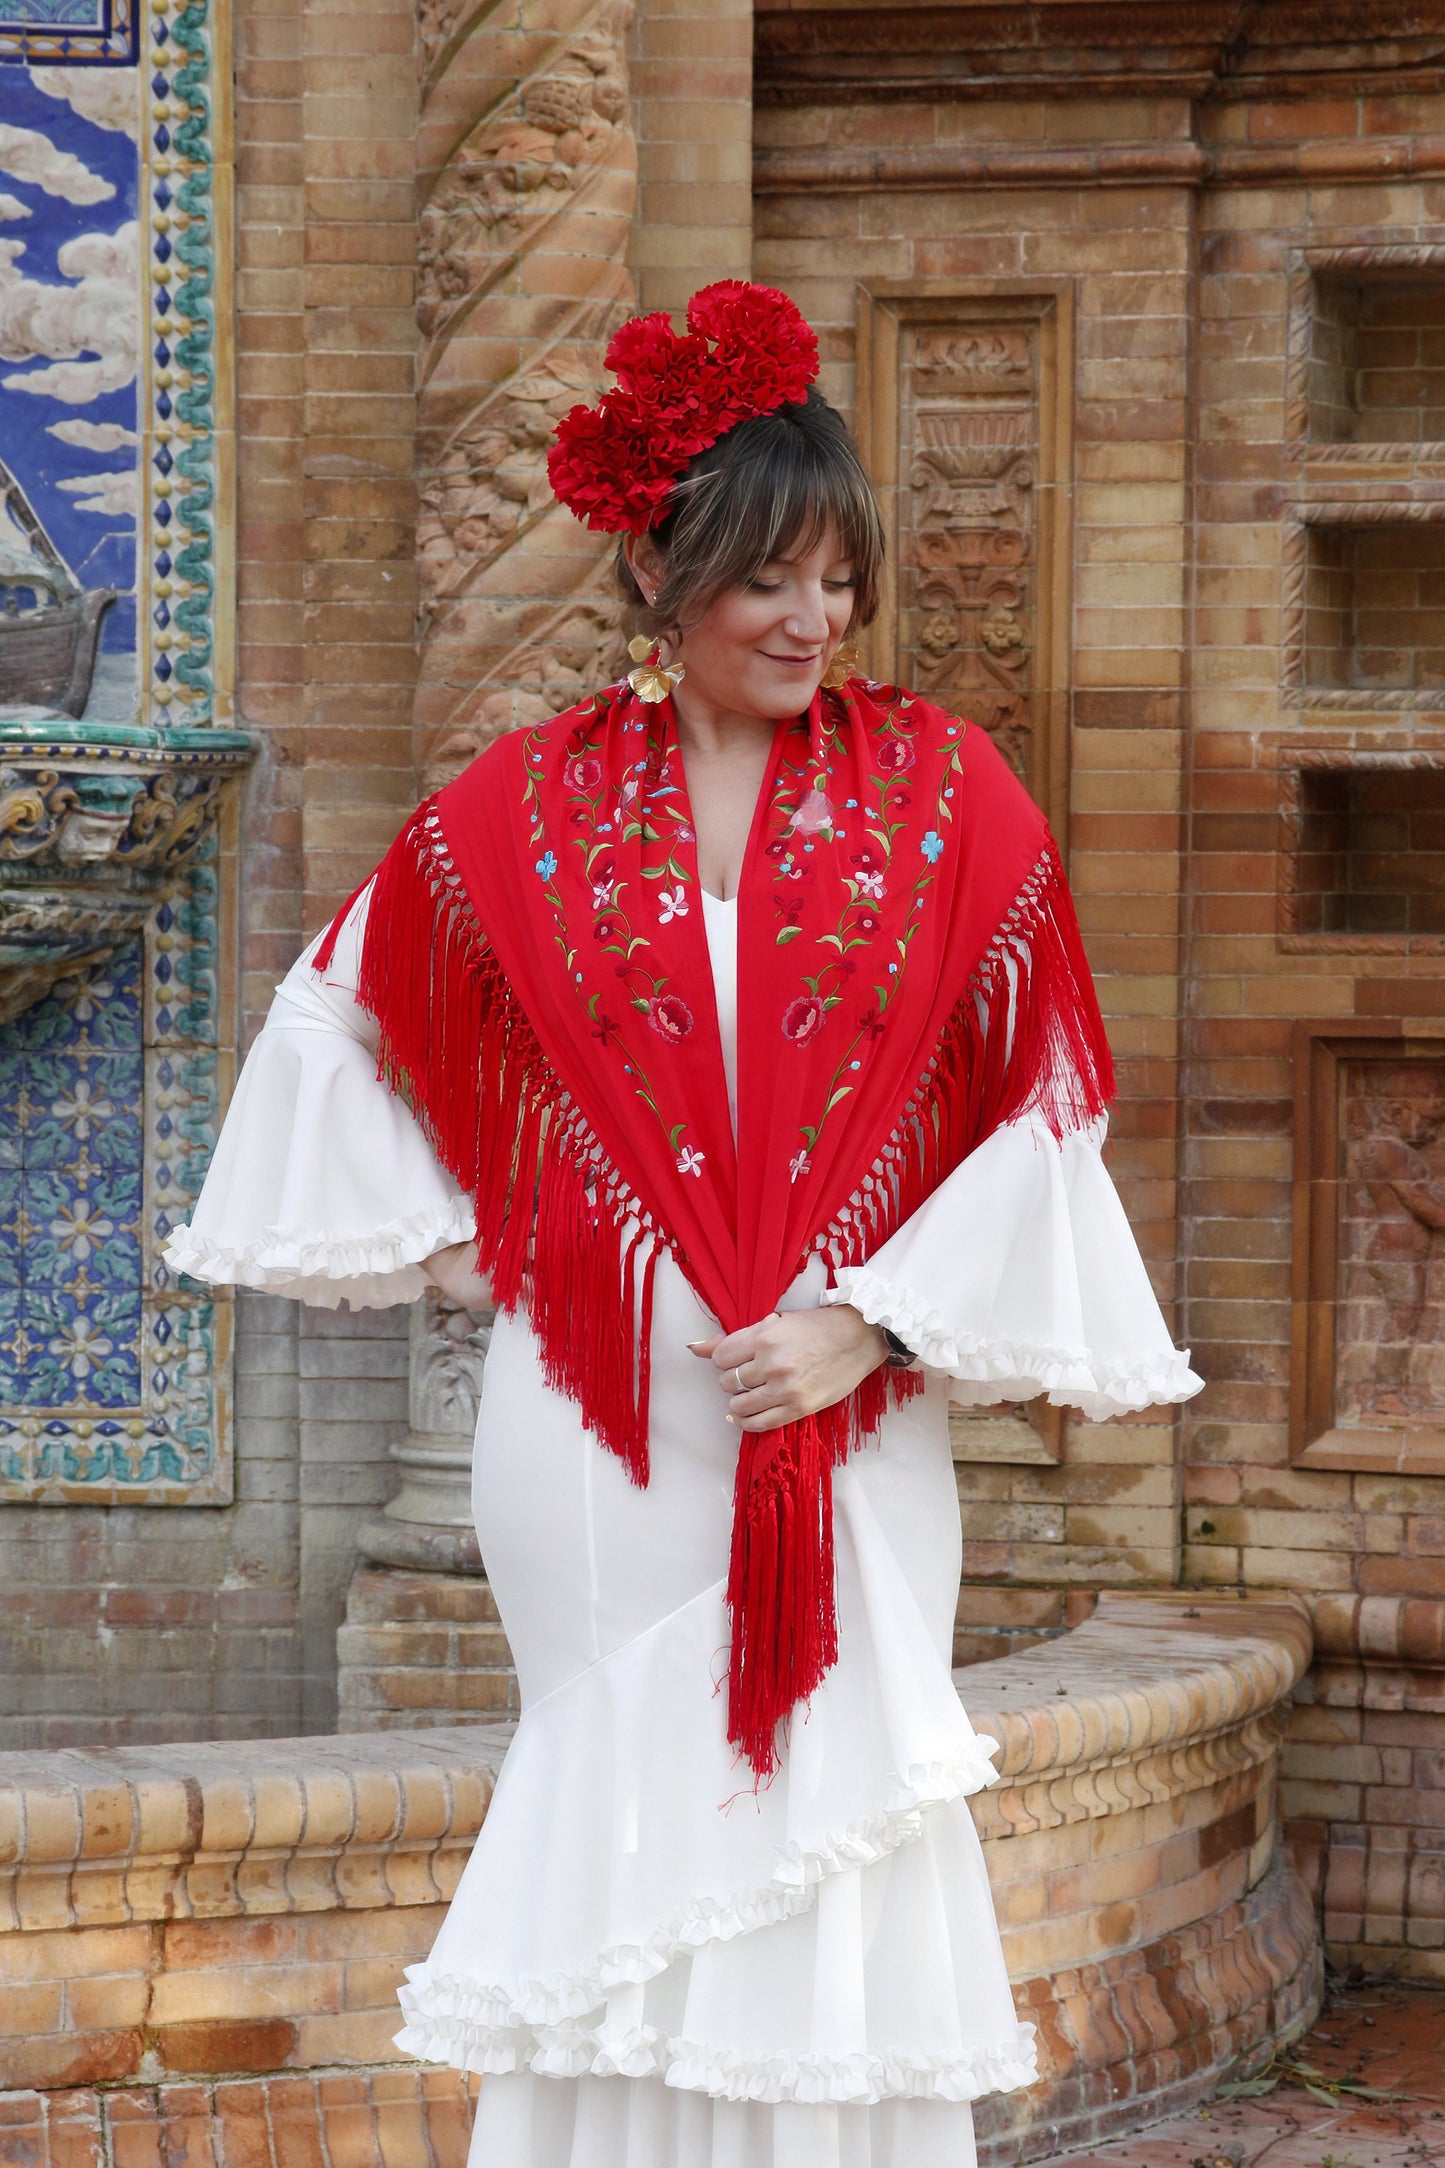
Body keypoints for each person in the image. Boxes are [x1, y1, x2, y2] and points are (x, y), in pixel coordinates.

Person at [166, 282, 1203, 2168]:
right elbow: (325, 1019)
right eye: (766, 580)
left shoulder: (942, 795)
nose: (812, 620)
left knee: (832, 1821)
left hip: (840, 1409)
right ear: (659, 574)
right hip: (594, 1433)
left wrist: (868, 1324)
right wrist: (480, 1243)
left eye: (838, 579)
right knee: (620, 1831)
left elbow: (1049, 1094)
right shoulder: (526, 807)